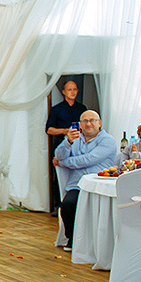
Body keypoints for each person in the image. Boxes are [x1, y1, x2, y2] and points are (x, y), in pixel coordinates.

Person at [54, 110, 117, 253]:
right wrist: (68, 142)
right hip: (77, 184)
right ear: (80, 125)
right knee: (67, 205)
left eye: (92, 120)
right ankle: (72, 238)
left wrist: (63, 163)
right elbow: (58, 154)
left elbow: (88, 160)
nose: (89, 124)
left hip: (99, 186)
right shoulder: (75, 138)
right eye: (85, 121)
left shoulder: (108, 140)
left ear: (99, 123)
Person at [45, 79, 87, 210]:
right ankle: (58, 204)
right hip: (61, 145)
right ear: (64, 92)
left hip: (80, 145)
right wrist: (65, 131)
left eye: (74, 89)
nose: (72, 92)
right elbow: (49, 129)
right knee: (59, 172)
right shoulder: (57, 109)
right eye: (70, 89)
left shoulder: (82, 108)